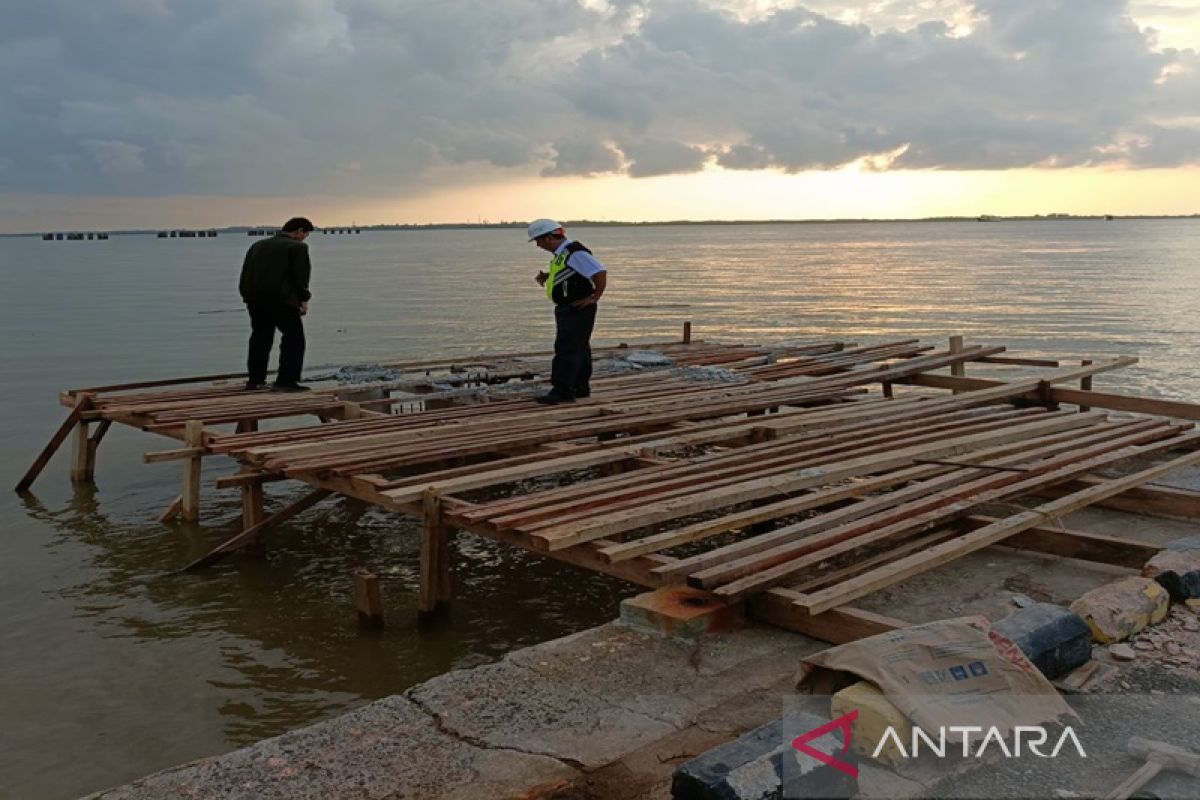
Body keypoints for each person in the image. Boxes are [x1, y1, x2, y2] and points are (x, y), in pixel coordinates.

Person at [527, 219, 607, 404]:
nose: (538, 246)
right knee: (579, 348)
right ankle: (579, 387)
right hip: (572, 307)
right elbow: (571, 273)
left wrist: (594, 297)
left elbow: (600, 272)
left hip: (577, 307)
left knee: (566, 348)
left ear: (548, 238)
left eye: (538, 241)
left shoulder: (574, 252)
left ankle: (562, 390)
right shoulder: (563, 253)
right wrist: (548, 276)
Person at [238, 217, 316, 392]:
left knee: (260, 337)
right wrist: (303, 299)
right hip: (281, 300)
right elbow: (300, 277)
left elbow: (246, 273)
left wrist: (246, 295)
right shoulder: (297, 247)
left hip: (254, 299)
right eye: (306, 233)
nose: (305, 237)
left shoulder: (257, 245)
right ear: (299, 231)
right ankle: (286, 380)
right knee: (294, 338)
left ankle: (255, 380)